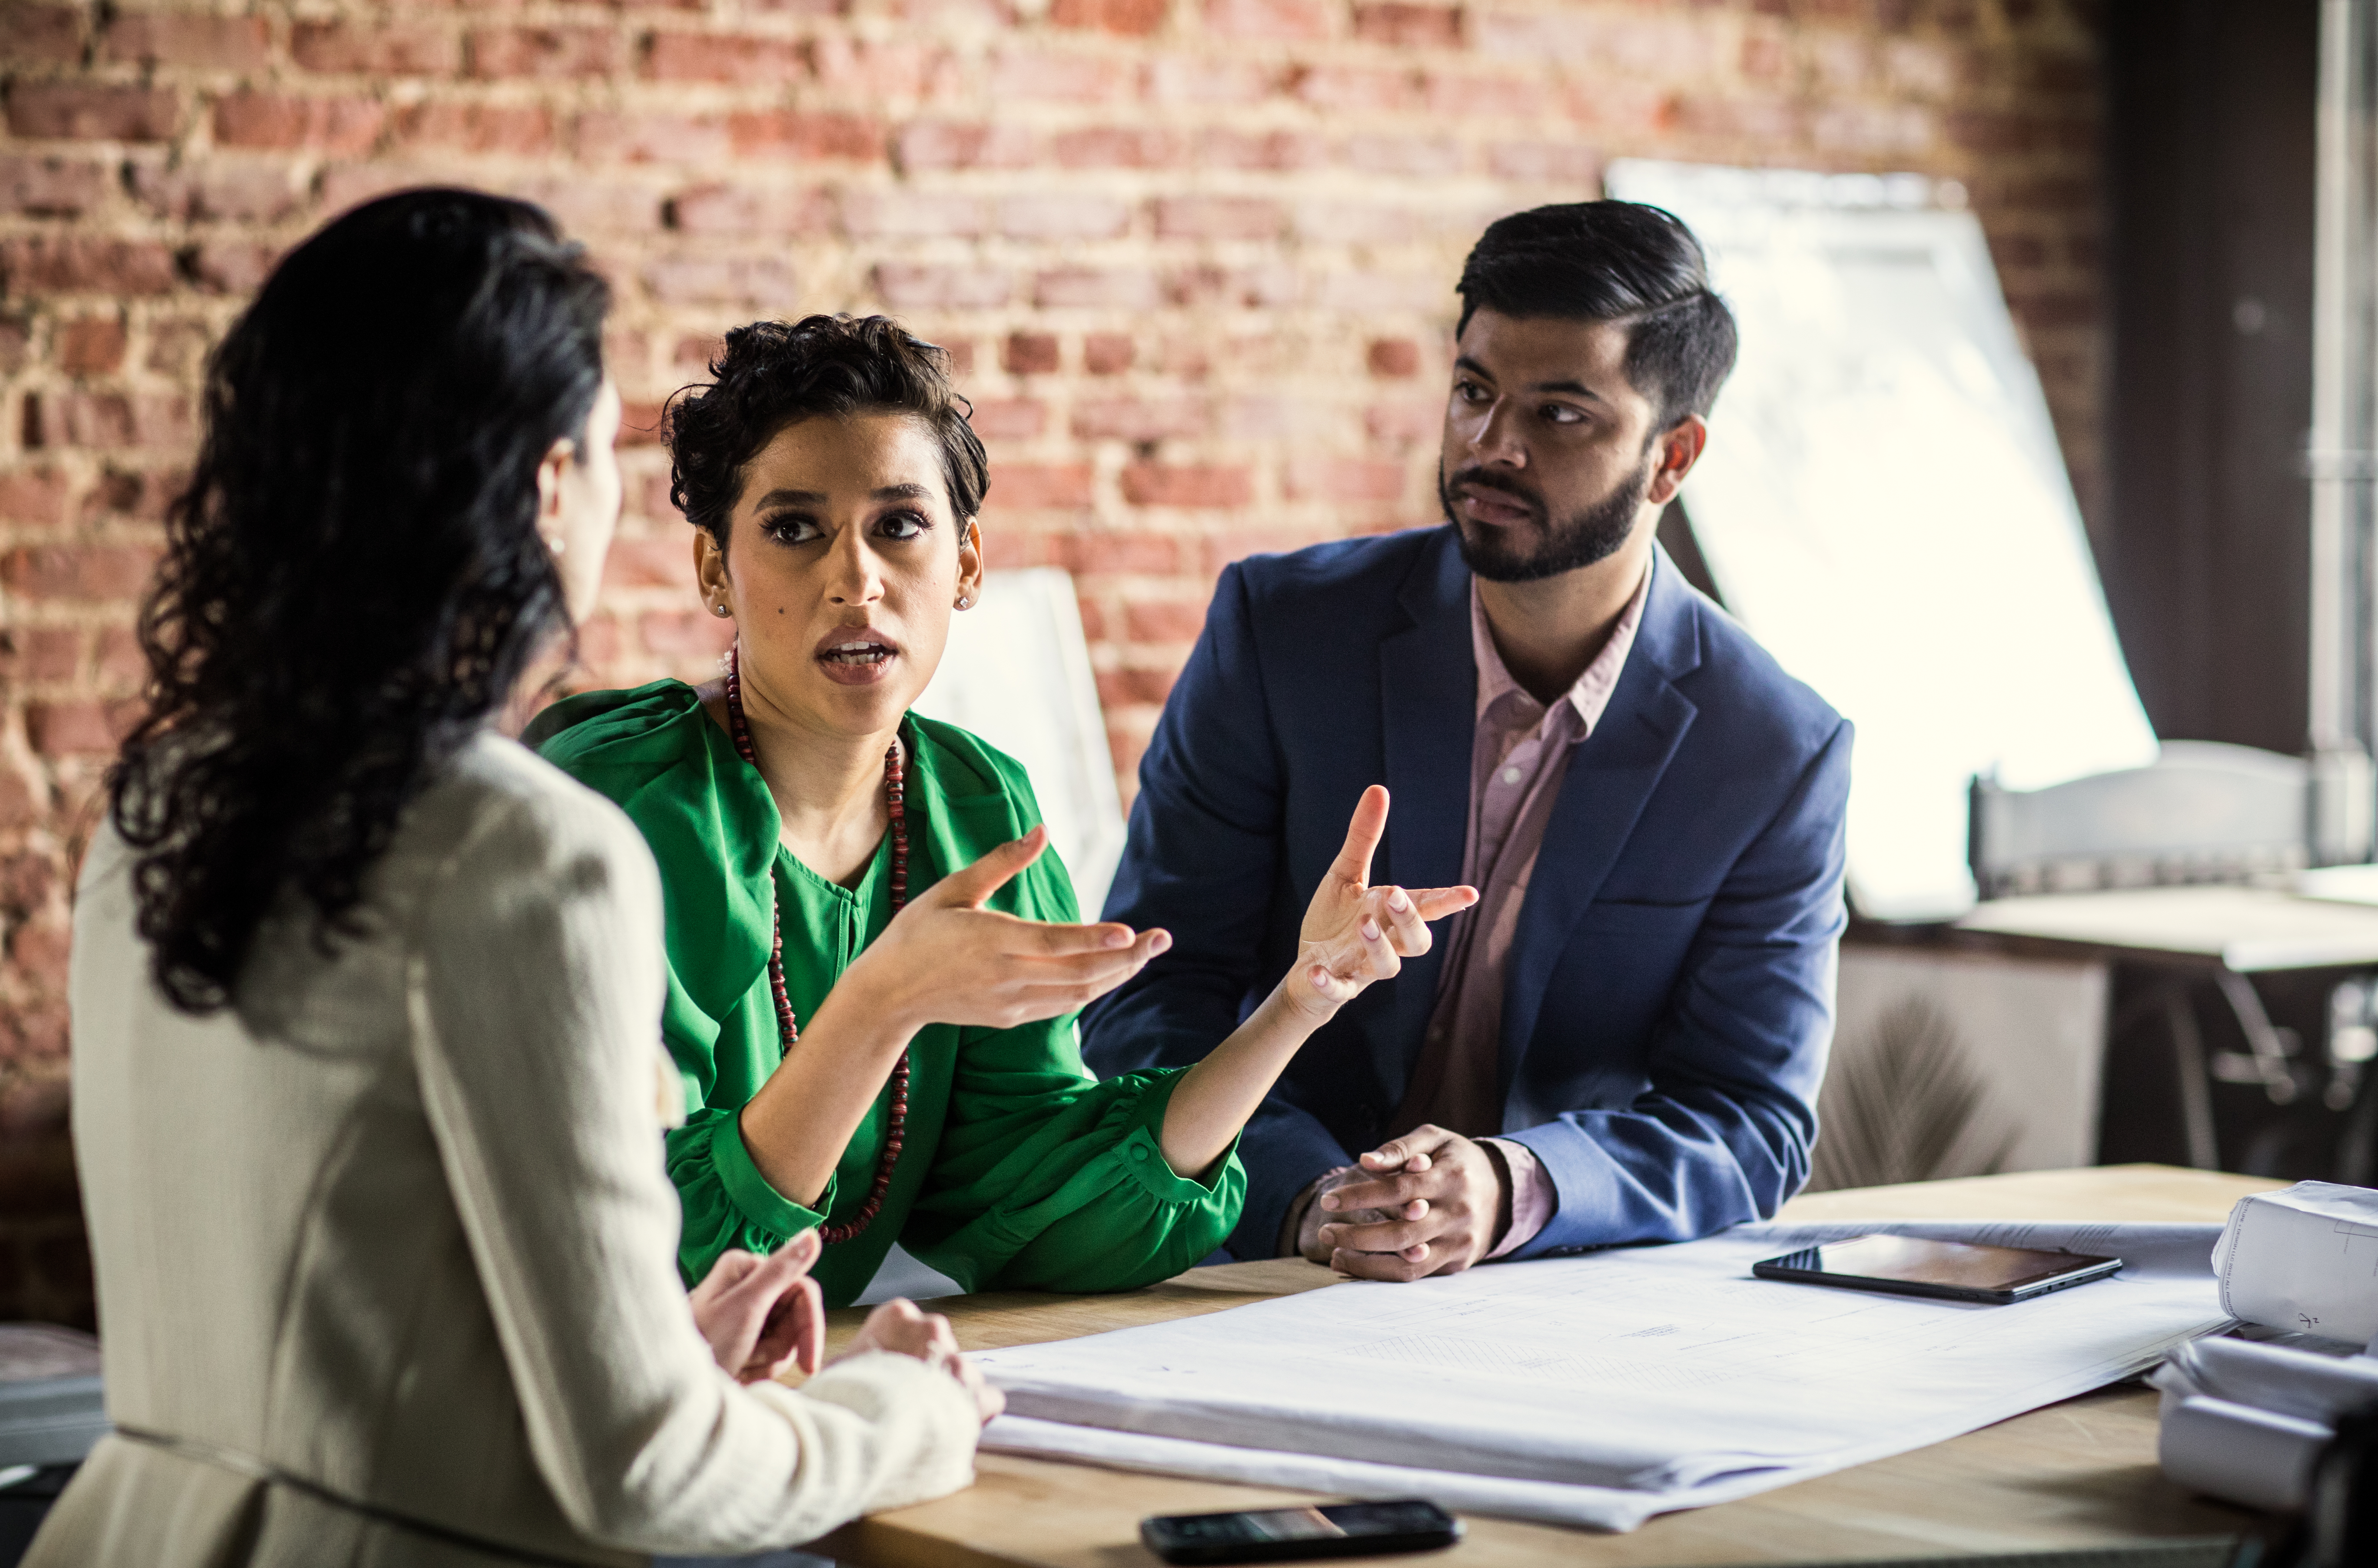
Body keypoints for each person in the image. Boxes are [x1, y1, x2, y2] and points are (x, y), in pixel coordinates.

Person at [33, 190, 1004, 1568]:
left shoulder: (161, 800)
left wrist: (656, 1349)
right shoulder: (531, 854)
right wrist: (903, 1408)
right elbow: (644, 1480)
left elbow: (343, 1326)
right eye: (607, 452)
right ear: (552, 487)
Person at [528, 314, 1474, 1309]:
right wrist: (881, 1002)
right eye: (795, 529)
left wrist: (1299, 1002)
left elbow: (1036, 1201)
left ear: (968, 564)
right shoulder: (618, 805)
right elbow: (627, 1253)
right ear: (716, 570)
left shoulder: (975, 809)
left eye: (899, 525)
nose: (856, 580)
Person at [1082, 200, 1853, 1280]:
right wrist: (1311, 1191)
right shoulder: (1282, 634)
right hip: (1258, 1260)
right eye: (1474, 393)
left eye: (1561, 415)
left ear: (1671, 457)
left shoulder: (1773, 751)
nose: (1492, 446)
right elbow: (1148, 992)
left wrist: (1510, 1186)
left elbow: (1752, 1121)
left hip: (1557, 1294)